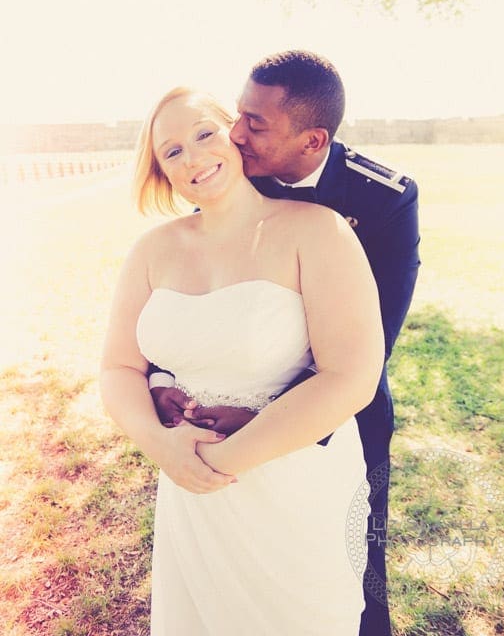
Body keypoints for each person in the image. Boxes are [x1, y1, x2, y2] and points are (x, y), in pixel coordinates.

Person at [148, 51, 421, 636]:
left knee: (354, 566)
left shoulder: (383, 200)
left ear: (313, 139)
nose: (234, 133)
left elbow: (372, 342)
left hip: (341, 414)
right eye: (238, 114)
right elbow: (199, 295)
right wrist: (162, 379)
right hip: (219, 423)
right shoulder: (232, 171)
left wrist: (267, 414)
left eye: (256, 124)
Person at [100, 86, 385, 635]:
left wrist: (222, 462)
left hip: (294, 482)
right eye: (172, 151)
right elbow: (117, 369)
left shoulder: (315, 231)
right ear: (161, 170)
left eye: (204, 133)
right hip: (190, 492)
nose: (194, 158)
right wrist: (162, 447)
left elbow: (351, 377)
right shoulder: (151, 251)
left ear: (234, 132)